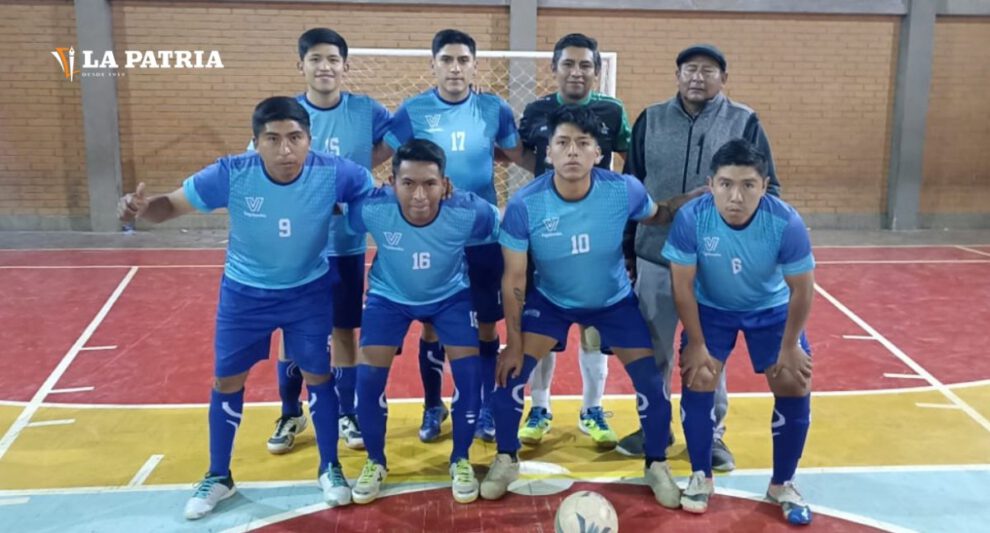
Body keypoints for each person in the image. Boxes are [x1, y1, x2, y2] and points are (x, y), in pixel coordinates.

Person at [118, 97, 374, 518]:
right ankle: (219, 475)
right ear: (255, 143)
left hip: (308, 291)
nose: (285, 150)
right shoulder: (231, 173)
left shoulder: (334, 172)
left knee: (319, 375)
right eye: (272, 140)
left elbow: (372, 195)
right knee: (226, 380)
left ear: (311, 140)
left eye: (295, 138)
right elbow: (170, 205)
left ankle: (330, 467)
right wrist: (142, 209)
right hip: (244, 294)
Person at [479, 105, 704, 508]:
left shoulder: (623, 190)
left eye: (583, 144)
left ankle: (656, 465)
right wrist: (513, 341)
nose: (572, 152)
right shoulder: (524, 206)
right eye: (562, 143)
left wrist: (696, 198)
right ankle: (506, 457)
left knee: (652, 383)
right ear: (548, 152)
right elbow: (513, 278)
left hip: (612, 302)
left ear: (598, 153)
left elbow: (660, 214)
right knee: (509, 375)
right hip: (551, 302)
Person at [618, 44, 782, 471]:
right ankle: (653, 426)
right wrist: (626, 248)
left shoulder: (744, 121)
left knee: (707, 350)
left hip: (715, 264)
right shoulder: (650, 119)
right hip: (655, 256)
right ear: (677, 75)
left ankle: (710, 435)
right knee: (652, 349)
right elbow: (629, 189)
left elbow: (769, 188)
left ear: (723, 79)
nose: (697, 77)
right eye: (689, 69)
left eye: (708, 70)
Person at [385, 28, 524, 444]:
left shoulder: (493, 108)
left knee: (485, 325)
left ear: (475, 66)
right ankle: (433, 406)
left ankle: (483, 406)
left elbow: (518, 154)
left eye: (463, 60)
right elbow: (388, 160)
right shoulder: (412, 111)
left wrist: (565, 181)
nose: (455, 67)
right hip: (431, 237)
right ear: (433, 65)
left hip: (482, 236)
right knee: (431, 327)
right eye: (447, 59)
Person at [664, 139, 814, 525]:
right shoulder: (692, 219)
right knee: (698, 375)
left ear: (764, 186)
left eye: (748, 185)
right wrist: (695, 342)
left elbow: (802, 288)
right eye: (727, 184)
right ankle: (701, 475)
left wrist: (792, 344)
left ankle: (783, 483)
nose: (736, 195)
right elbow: (682, 287)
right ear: (711, 183)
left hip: (771, 310)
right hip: (712, 309)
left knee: (794, 381)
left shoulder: (785, 222)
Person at [347, 139, 500, 505]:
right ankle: (375, 461)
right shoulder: (372, 209)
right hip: (389, 297)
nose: (419, 195)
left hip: (450, 296)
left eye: (430, 184)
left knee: (470, 374)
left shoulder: (468, 210)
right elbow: (341, 219)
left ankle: (460, 458)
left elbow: (506, 227)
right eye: (408, 183)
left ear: (445, 183)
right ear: (391, 181)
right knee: (367, 379)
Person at [265, 28, 392, 457]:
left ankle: (346, 410)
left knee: (343, 330)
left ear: (345, 66)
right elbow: (263, 166)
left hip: (348, 244)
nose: (325, 67)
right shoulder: (286, 116)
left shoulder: (365, 110)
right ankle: (290, 410)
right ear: (300, 64)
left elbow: (394, 139)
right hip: (298, 246)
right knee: (295, 331)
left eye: (333, 59)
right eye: (316, 59)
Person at [515, 32, 633, 449]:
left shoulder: (613, 112)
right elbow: (521, 154)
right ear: (554, 68)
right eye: (568, 64)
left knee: (594, 323)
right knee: (542, 323)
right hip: (545, 231)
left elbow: (630, 161)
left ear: (597, 71)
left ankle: (592, 409)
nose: (577, 72)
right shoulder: (535, 112)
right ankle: (540, 406)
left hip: (598, 228)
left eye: (586, 65)